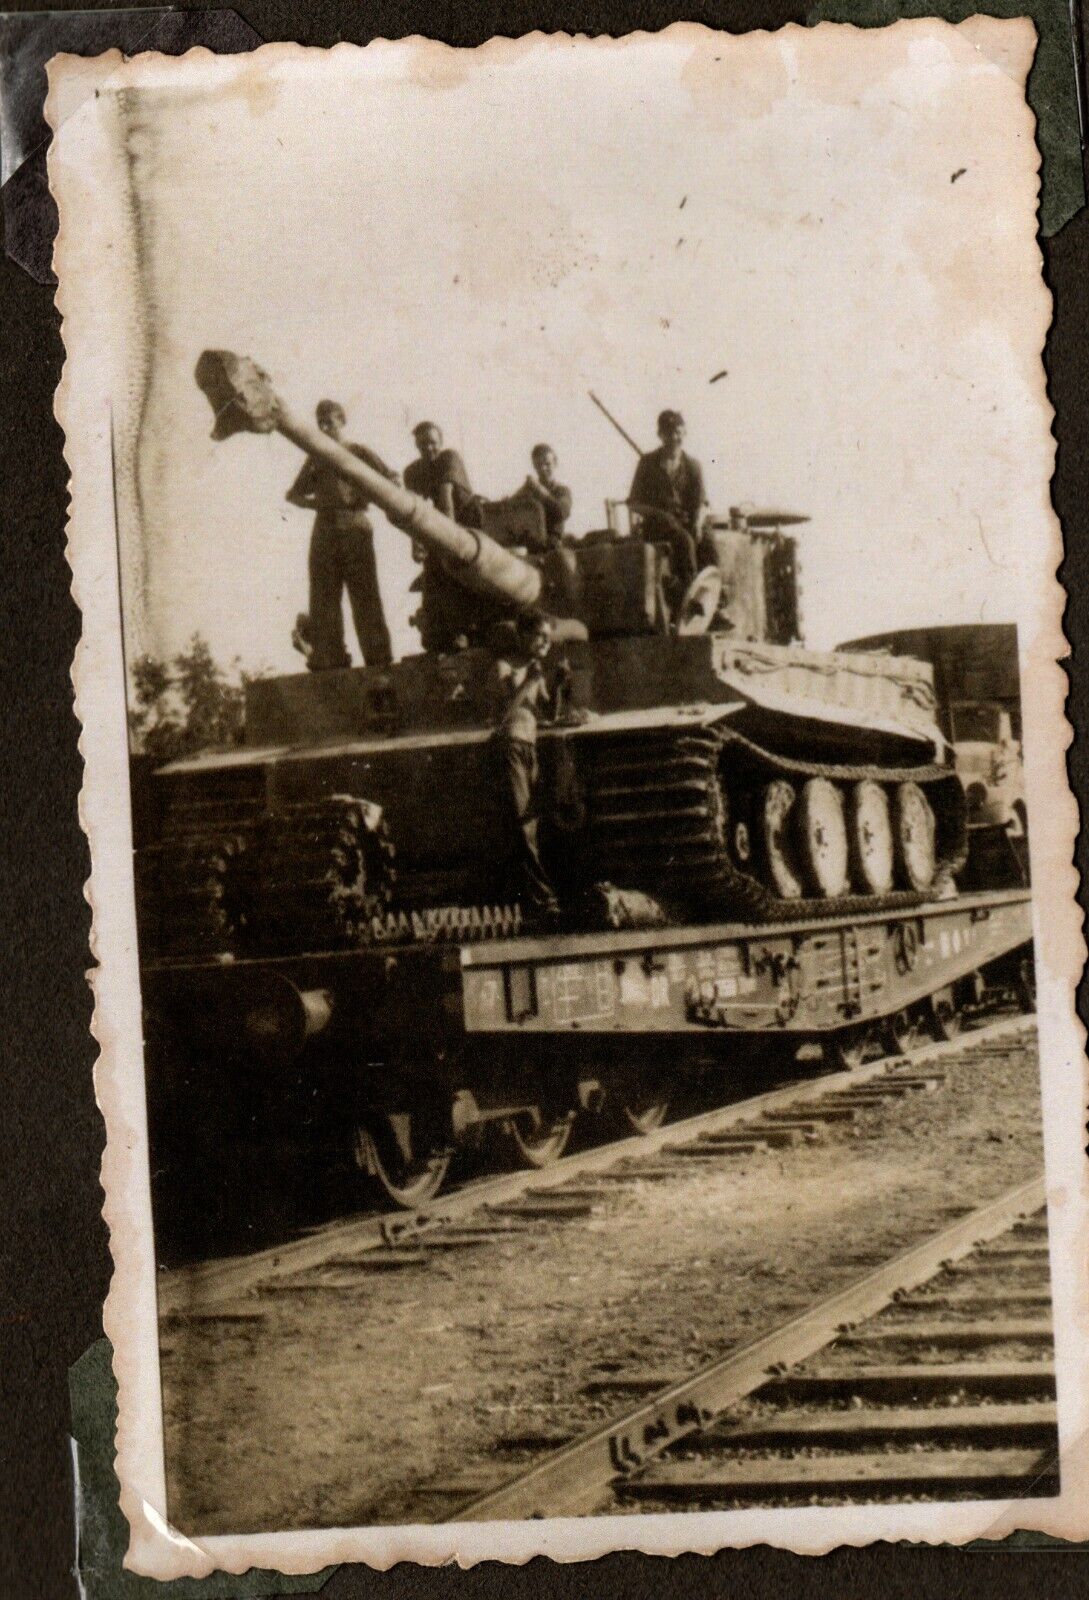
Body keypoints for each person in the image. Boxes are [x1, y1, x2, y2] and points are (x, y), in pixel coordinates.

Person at [285, 400, 395, 671]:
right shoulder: (316, 457)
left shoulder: (357, 452)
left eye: (329, 422)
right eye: (320, 423)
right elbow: (294, 495)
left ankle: (378, 661)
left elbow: (392, 478)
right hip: (324, 528)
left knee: (365, 596)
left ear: (342, 421)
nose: (324, 427)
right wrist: (319, 504)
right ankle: (331, 660)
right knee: (323, 598)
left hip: (354, 524)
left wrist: (364, 495)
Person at [490, 612, 564, 921]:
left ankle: (538, 897)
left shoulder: (536, 671)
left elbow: (548, 714)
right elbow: (503, 714)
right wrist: (531, 680)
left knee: (532, 823)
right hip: (510, 745)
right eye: (540, 636)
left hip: (529, 747)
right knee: (522, 824)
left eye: (549, 637)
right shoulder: (504, 666)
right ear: (522, 636)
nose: (546, 642)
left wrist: (557, 685)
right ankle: (543, 900)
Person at [404, 422, 486, 651]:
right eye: (422, 444)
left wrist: (448, 540)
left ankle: (462, 632)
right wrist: (415, 544)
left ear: (440, 441)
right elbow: (412, 509)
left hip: (466, 525)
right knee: (432, 577)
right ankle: (435, 634)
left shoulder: (449, 458)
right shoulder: (413, 472)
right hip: (437, 529)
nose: (428, 448)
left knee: (458, 575)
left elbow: (446, 499)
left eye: (432, 442)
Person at [628, 409, 717, 594]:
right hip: (658, 526)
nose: (674, 438)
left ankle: (714, 595)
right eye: (669, 433)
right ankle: (690, 593)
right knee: (684, 541)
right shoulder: (647, 463)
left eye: (678, 432)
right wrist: (657, 514)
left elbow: (702, 502)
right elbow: (633, 503)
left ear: (685, 433)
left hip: (687, 521)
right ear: (660, 435)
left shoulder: (693, 466)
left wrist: (698, 524)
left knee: (708, 542)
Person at [516, 444, 573, 547]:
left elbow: (562, 512)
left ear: (555, 463)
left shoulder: (562, 491)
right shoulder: (528, 491)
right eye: (538, 465)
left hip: (553, 546)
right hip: (529, 545)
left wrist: (540, 491)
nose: (543, 468)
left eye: (547, 464)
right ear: (534, 466)